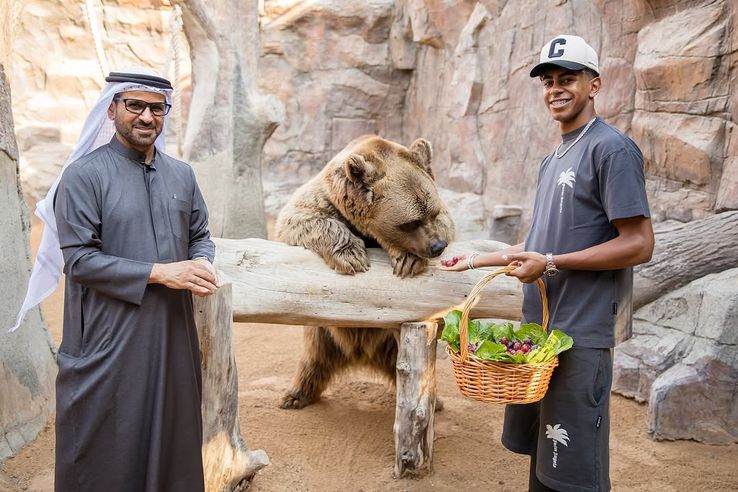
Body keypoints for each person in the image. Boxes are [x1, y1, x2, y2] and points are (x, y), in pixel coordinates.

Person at [437, 35, 654, 491]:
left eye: (568, 79)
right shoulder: (550, 160)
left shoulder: (612, 150)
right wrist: (475, 259)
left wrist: (551, 263)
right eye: (548, 80)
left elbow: (638, 244)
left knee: (575, 469)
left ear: (594, 85)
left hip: (582, 331)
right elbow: (540, 246)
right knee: (543, 459)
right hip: (538, 334)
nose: (555, 89)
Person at [48, 69, 217, 491]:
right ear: (112, 109)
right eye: (135, 106)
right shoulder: (83, 176)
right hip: (110, 338)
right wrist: (161, 273)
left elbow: (201, 237)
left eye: (156, 108)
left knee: (174, 436)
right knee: (108, 439)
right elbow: (80, 260)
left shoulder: (182, 175)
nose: (146, 117)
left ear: (165, 114)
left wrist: (202, 261)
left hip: (173, 336)